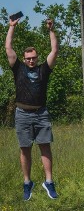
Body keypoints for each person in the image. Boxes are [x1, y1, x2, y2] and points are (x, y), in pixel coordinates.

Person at [5, 15, 59, 200]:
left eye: (33, 58)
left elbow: (54, 50)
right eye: (28, 58)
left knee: (45, 147)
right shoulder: (17, 68)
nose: (31, 60)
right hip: (22, 114)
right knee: (25, 148)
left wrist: (51, 30)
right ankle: (27, 183)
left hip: (41, 113)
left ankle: (49, 182)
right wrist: (11, 26)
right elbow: (8, 48)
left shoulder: (44, 69)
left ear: (37, 58)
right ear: (24, 58)